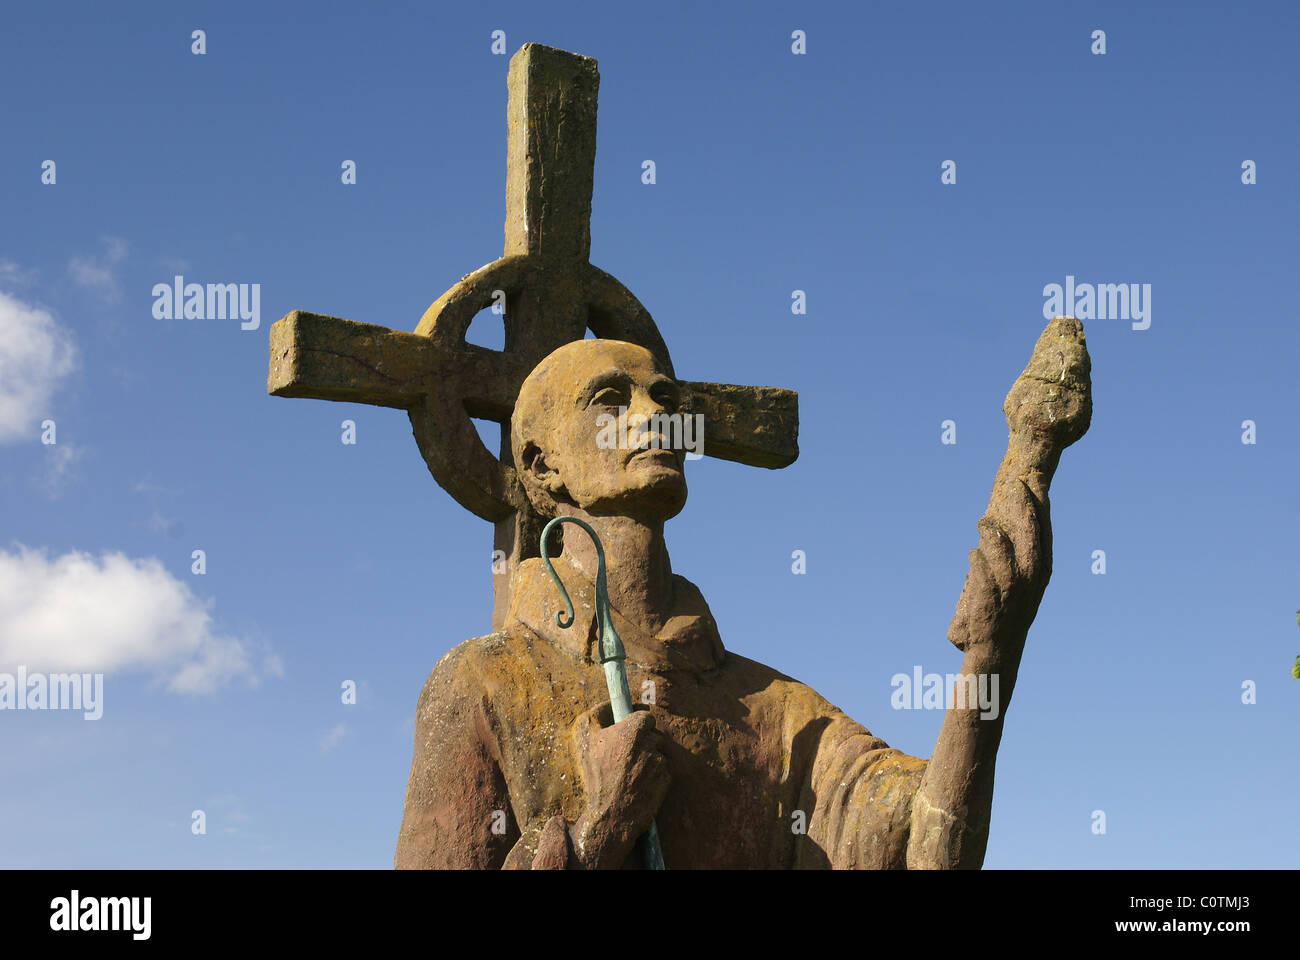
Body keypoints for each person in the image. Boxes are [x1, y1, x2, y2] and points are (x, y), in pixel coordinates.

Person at [394, 320, 1090, 868]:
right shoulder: (483, 686)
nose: (653, 415)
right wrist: (598, 833)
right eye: (611, 399)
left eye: (664, 399)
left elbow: (925, 851)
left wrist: (992, 652)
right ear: (543, 466)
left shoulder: (774, 711)